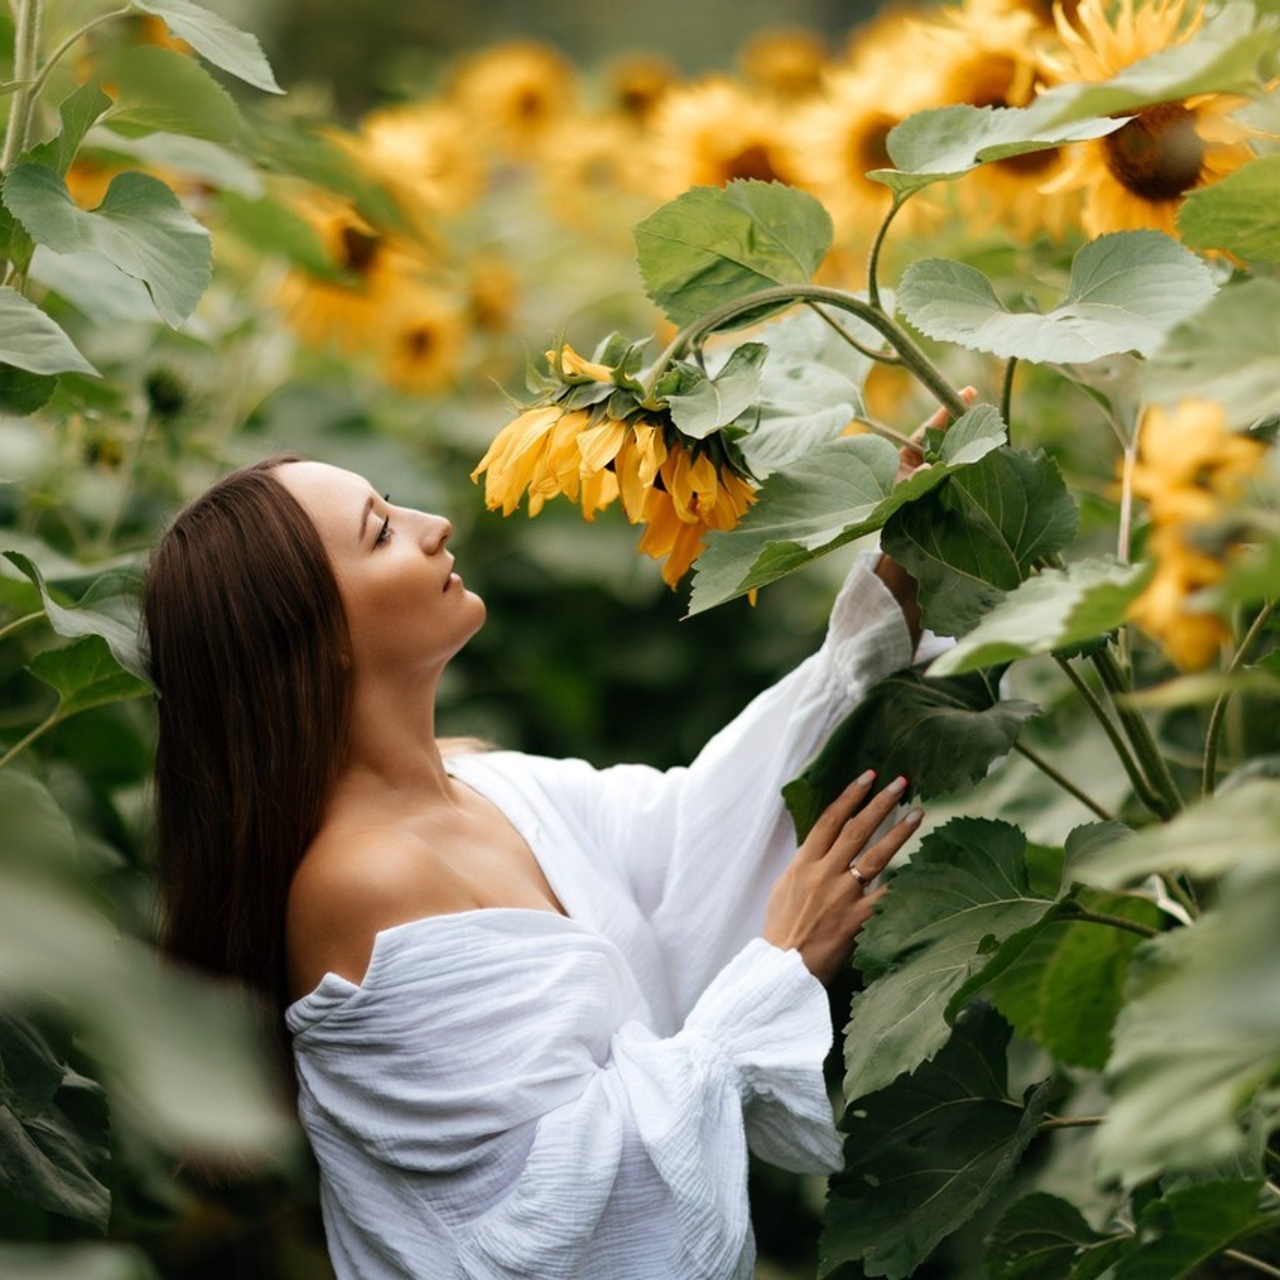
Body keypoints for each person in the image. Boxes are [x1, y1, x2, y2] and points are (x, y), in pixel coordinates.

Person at [143, 437, 942, 1280]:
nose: (434, 524)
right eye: (381, 531)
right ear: (314, 636)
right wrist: (781, 966)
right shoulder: (365, 884)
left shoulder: (487, 784)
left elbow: (688, 838)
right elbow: (567, 1218)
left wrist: (898, 590)